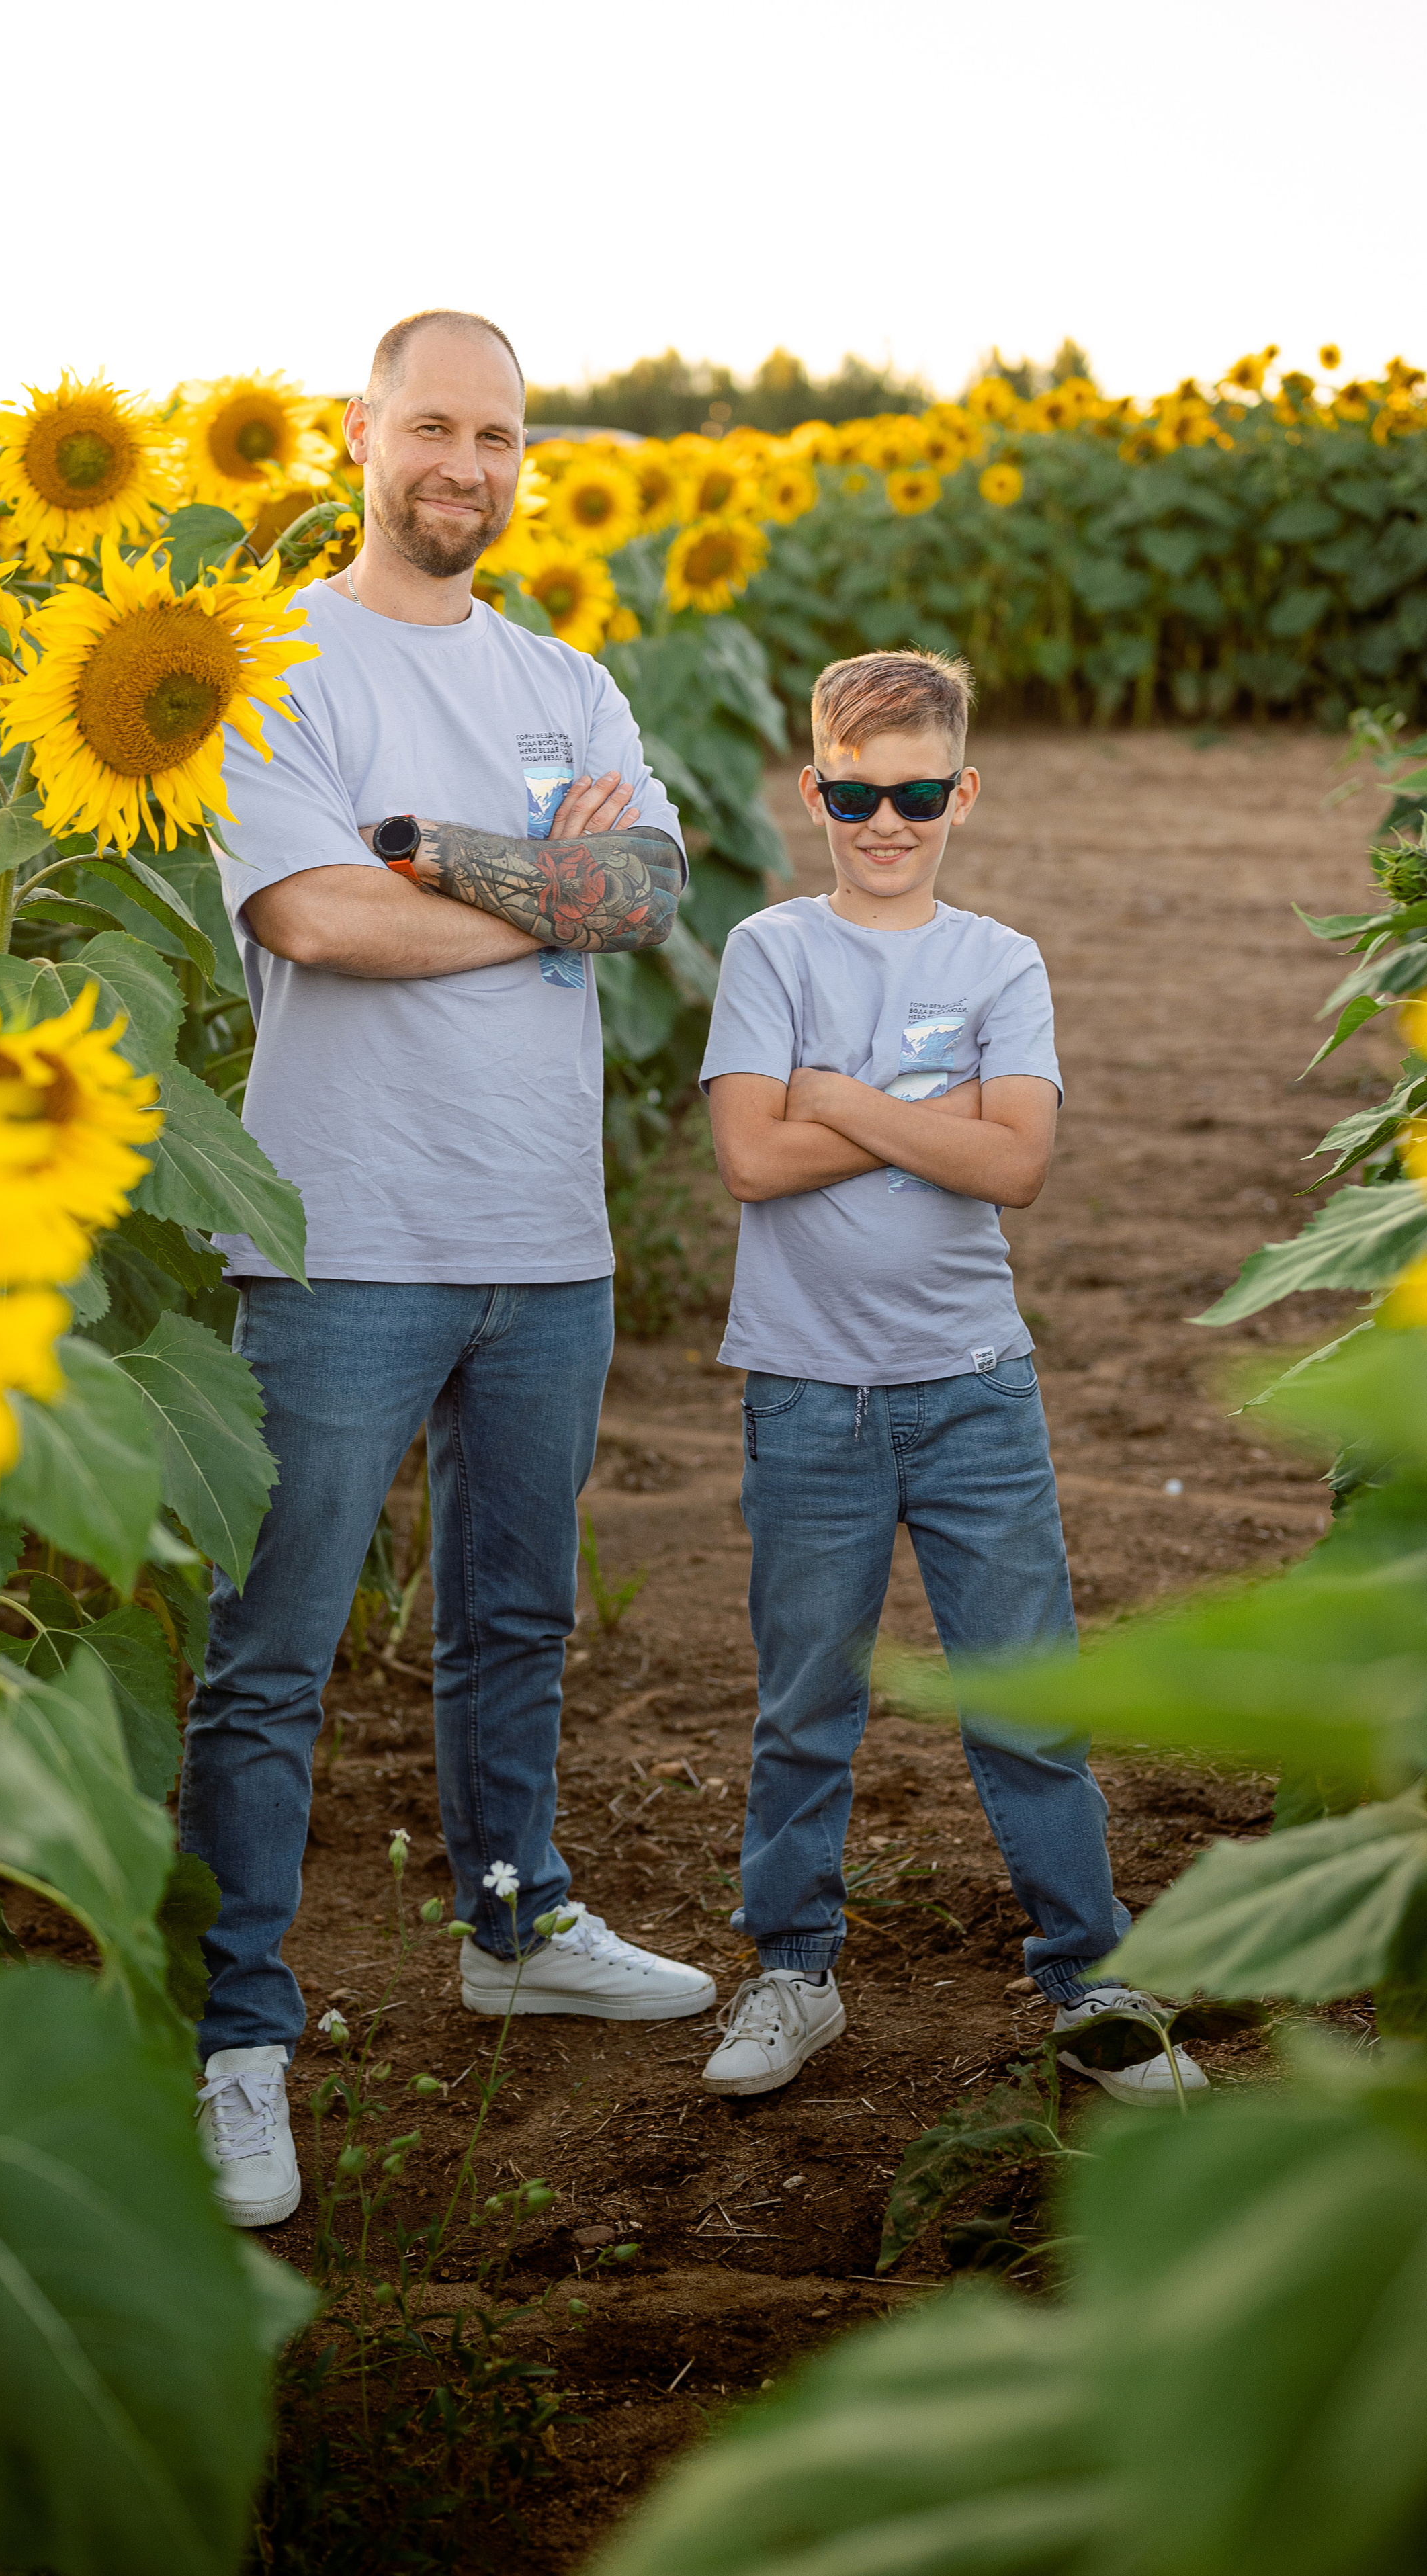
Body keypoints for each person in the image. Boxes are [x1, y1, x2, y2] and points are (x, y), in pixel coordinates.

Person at [181, 310, 716, 2229]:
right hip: (344, 1237)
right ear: (359, 436)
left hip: (543, 1244)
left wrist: (443, 864)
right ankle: (236, 2027)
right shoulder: (274, 673)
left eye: (498, 437)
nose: (466, 467)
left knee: (515, 1620)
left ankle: (515, 1918)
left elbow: (652, 892)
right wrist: (539, 891)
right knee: (272, 1656)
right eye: (433, 427)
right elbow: (316, 916)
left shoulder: (568, 676)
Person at [696, 648, 1205, 2109]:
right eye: (853, 793)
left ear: (960, 792)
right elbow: (748, 1158)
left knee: (1023, 1697)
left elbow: (1019, 1164)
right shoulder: (769, 952)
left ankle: (1089, 1978)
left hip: (974, 1390)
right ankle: (790, 1967)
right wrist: (934, 1114)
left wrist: (840, 1100)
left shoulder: (999, 962)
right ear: (812, 791)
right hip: (805, 1393)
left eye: (915, 792)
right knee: (805, 1702)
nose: (884, 820)